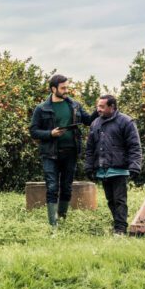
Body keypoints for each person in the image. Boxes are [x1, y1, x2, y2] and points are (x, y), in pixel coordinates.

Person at [29, 74, 96, 226]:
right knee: (52, 187)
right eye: (63, 88)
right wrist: (50, 134)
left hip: (71, 152)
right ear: (54, 89)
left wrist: (99, 108)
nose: (66, 90)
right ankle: (54, 225)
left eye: (67, 87)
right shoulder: (41, 108)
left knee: (66, 188)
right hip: (50, 154)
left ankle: (62, 219)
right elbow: (33, 131)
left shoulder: (75, 105)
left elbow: (88, 121)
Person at [84, 94, 142, 235]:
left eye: (102, 106)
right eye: (98, 106)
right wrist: (89, 166)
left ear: (112, 107)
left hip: (119, 169)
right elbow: (90, 148)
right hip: (103, 169)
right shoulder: (95, 123)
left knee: (119, 200)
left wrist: (135, 165)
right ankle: (118, 225)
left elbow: (134, 146)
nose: (98, 109)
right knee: (111, 200)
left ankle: (120, 229)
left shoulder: (126, 121)